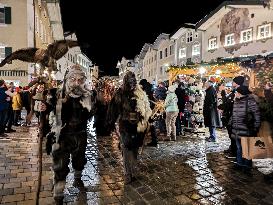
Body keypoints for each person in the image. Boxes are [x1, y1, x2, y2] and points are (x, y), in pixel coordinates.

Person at [42, 65, 94, 204]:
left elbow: (90, 114)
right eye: (73, 79)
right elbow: (47, 110)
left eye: (80, 79)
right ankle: (58, 193)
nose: (77, 83)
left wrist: (92, 106)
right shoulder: (56, 94)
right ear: (67, 79)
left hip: (80, 134)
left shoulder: (87, 95)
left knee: (78, 160)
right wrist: (44, 108)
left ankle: (78, 175)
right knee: (60, 165)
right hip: (62, 135)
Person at [106, 71, 152, 184]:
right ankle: (128, 173)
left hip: (138, 126)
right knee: (126, 148)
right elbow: (113, 109)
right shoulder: (120, 93)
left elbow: (146, 107)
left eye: (133, 82)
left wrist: (146, 118)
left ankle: (132, 169)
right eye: (129, 82)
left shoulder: (140, 93)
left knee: (135, 148)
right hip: (125, 125)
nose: (131, 84)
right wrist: (111, 123)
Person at [231, 85, 260, 173]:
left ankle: (247, 166)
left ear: (240, 93)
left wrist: (255, 128)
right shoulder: (236, 101)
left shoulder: (250, 101)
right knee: (239, 148)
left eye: (236, 92)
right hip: (236, 129)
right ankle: (239, 164)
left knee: (247, 150)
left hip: (246, 130)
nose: (235, 93)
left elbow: (257, 115)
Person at [220, 76, 245, 158]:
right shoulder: (234, 91)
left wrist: (221, 106)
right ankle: (232, 149)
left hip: (234, 116)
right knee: (231, 134)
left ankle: (234, 152)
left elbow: (229, 104)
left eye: (233, 81)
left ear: (237, 83)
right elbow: (227, 102)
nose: (232, 83)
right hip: (231, 115)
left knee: (233, 135)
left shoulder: (239, 91)